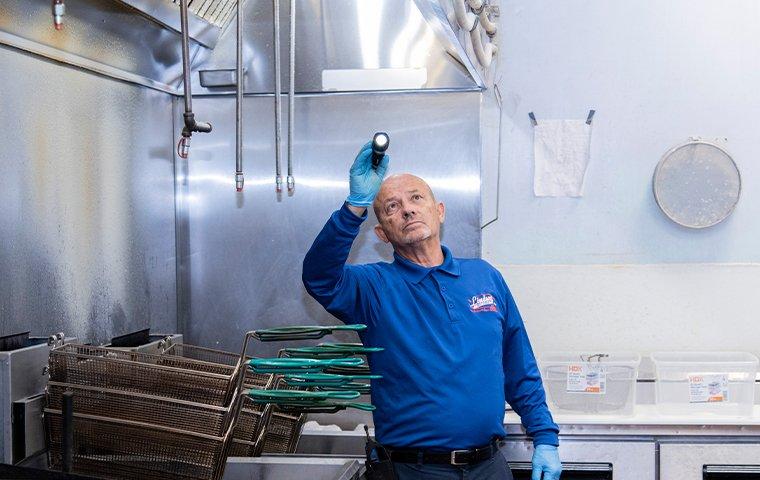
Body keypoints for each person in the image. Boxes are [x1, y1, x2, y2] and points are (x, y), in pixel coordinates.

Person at [302, 142, 562, 480]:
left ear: (439, 211)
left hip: (489, 466)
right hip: (414, 469)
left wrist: (544, 436)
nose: (408, 210)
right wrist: (355, 206)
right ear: (381, 234)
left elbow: (518, 363)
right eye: (392, 207)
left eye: (416, 198)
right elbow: (319, 277)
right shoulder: (371, 287)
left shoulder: (485, 276)